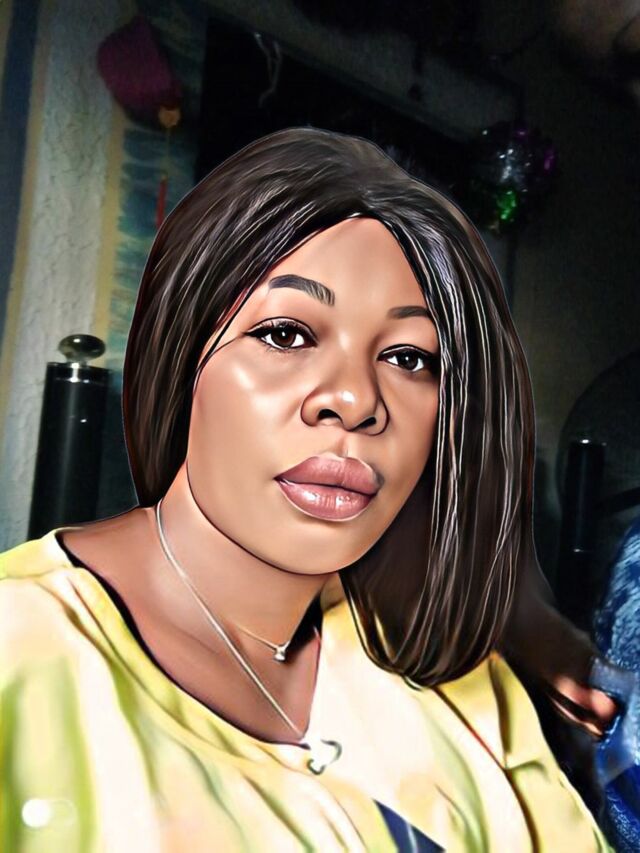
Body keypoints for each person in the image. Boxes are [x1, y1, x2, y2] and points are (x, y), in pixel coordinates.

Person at [0, 128, 613, 851]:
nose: (356, 400)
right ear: (180, 350)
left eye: (409, 356)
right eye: (287, 334)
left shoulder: (451, 669)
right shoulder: (21, 656)